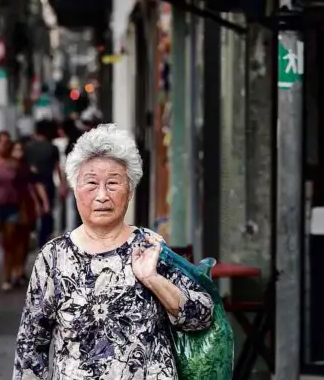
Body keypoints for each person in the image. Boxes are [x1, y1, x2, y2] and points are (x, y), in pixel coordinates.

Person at [13, 124, 213, 380]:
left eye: (113, 183)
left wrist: (153, 280)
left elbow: (201, 316)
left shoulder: (150, 245)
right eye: (91, 183)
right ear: (75, 189)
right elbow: (31, 348)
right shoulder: (53, 257)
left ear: (129, 190)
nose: (102, 195)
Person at [0, 131, 25, 291]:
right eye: (1, 141)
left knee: (9, 242)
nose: (4, 145)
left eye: (7, 142)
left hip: (11, 205)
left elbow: (21, 186)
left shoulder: (13, 163)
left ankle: (7, 276)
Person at [24, 120, 68, 248]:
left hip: (31, 184)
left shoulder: (29, 147)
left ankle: (33, 235)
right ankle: (43, 239)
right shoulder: (52, 147)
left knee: (34, 210)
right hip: (48, 183)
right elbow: (57, 168)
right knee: (47, 212)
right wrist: (62, 185)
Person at [12, 139, 49, 285]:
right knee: (12, 238)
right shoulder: (8, 167)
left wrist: (43, 202)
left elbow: (36, 184)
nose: (18, 153)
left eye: (21, 150)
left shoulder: (28, 167)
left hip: (26, 205)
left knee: (25, 238)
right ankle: (14, 269)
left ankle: (20, 269)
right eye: (16, 150)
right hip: (12, 204)